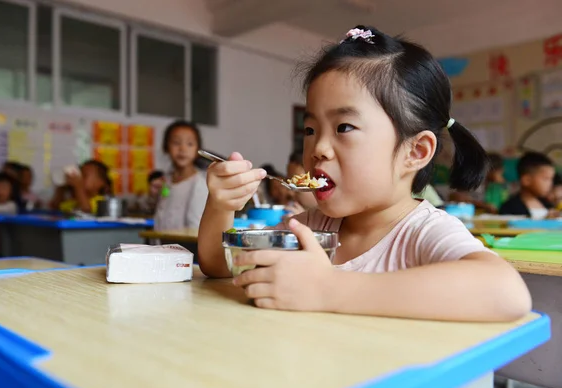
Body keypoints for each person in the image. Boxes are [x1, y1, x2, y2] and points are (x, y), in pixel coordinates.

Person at [197, 25, 530, 322]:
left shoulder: (422, 233)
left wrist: (328, 289)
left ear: (415, 152)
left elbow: (507, 293)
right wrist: (221, 206)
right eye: (310, 130)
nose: (318, 149)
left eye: (344, 127)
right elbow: (219, 265)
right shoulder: (310, 227)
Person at [154, 120, 207, 230]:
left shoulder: (199, 184)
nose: (183, 149)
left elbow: (195, 227)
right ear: (166, 147)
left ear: (197, 150)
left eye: (190, 144)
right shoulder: (165, 181)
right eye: (176, 143)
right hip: (160, 245)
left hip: (183, 246)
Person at [499, 152, 556, 218]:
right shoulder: (510, 207)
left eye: (551, 179)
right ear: (526, 180)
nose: (550, 184)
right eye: (546, 179)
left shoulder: (548, 205)